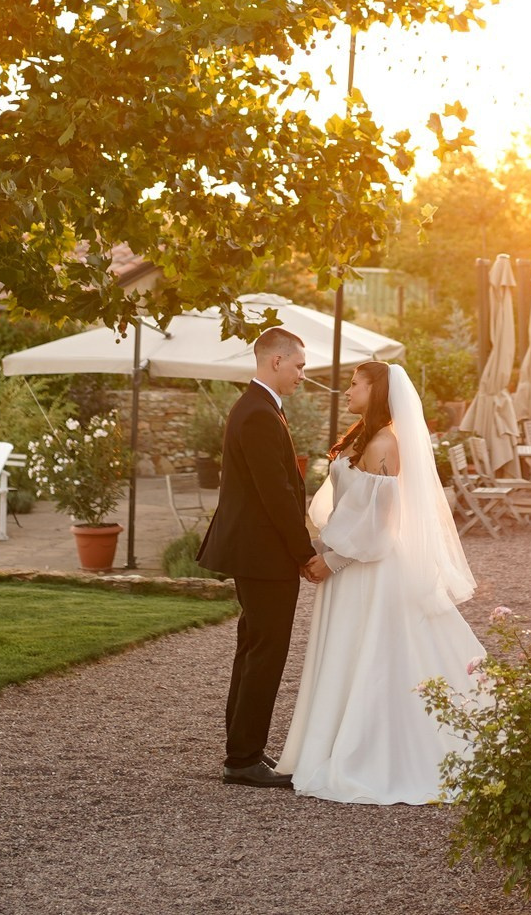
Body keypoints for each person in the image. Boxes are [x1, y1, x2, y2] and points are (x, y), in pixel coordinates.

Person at [275, 359, 485, 804]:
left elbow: (380, 523)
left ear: (378, 392)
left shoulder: (385, 442)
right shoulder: (364, 439)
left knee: (377, 656)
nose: (347, 392)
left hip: (370, 570)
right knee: (353, 655)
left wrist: (333, 561)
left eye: (355, 385)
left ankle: (374, 753)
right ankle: (333, 742)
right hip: (353, 563)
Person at [196, 326, 328, 788]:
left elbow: (278, 487)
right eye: (299, 367)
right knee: (264, 654)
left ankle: (244, 749)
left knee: (254, 649)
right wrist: (304, 552)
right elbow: (275, 494)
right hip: (263, 555)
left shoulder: (260, 408)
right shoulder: (256, 413)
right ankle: (243, 758)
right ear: (276, 361)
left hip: (258, 553)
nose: (302, 376)